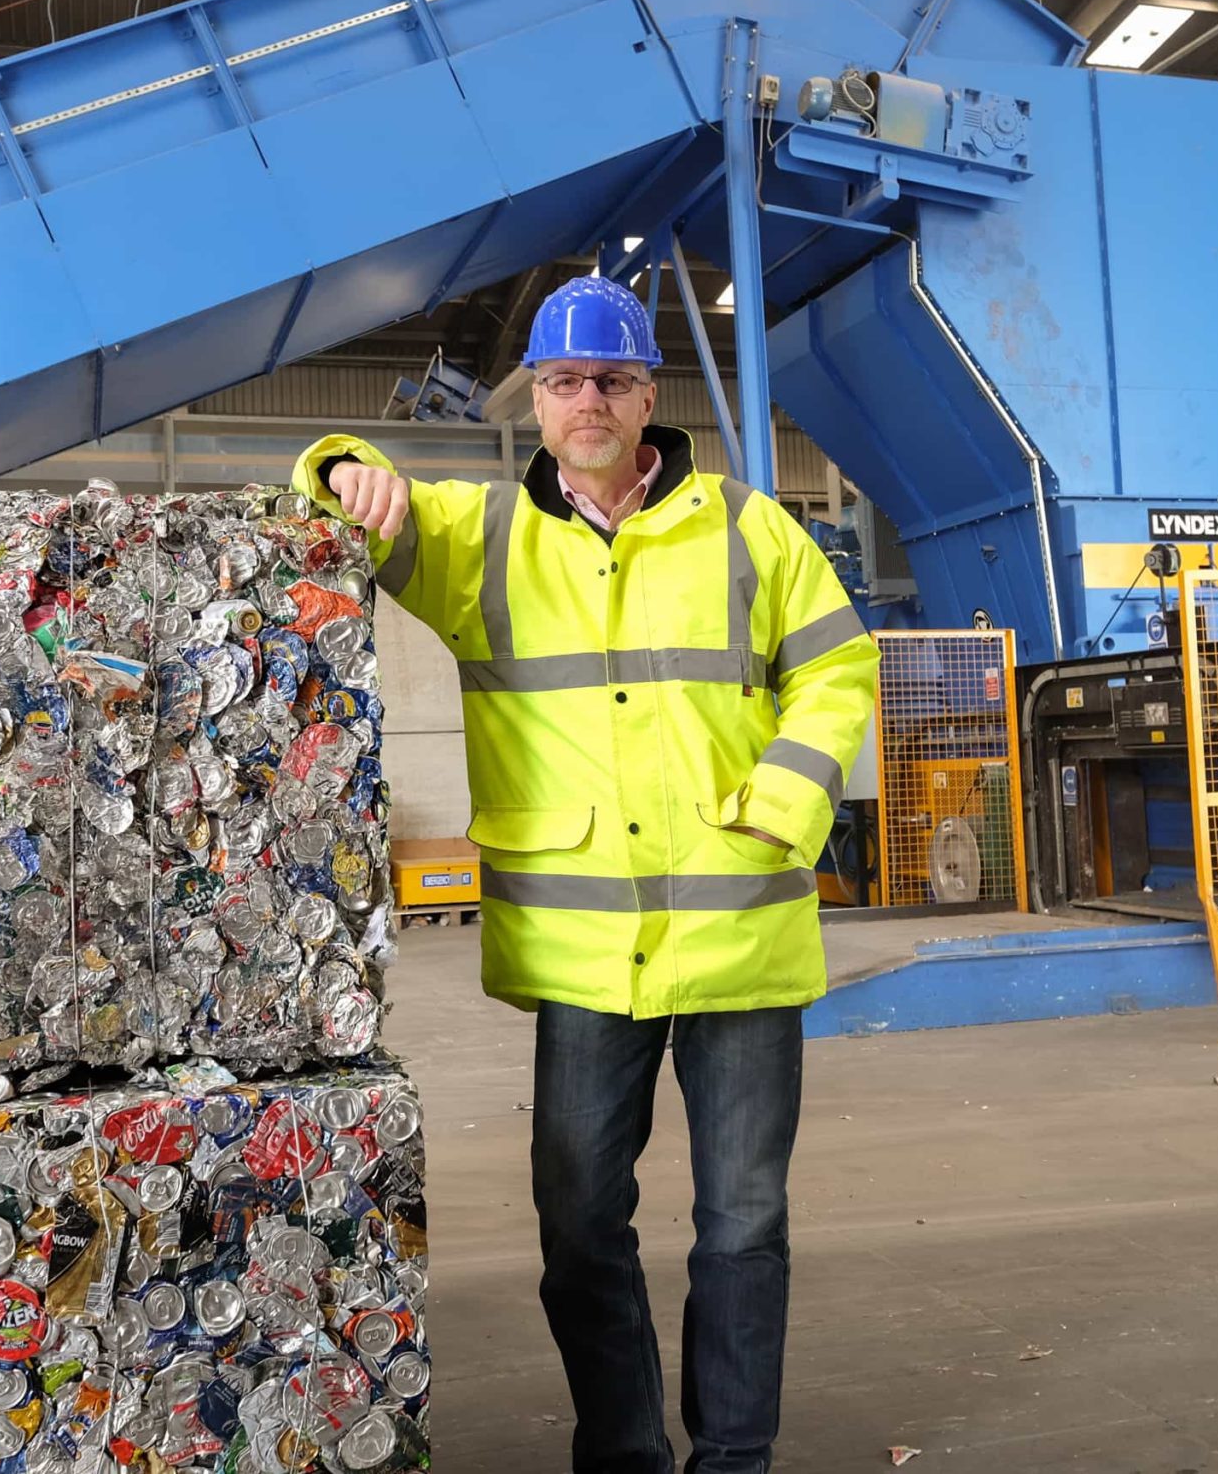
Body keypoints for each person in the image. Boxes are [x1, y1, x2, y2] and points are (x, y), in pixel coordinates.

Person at [293, 273, 878, 1473]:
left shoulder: (748, 530)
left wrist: (778, 805)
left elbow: (837, 670)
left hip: (740, 941)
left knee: (745, 1223)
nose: (587, 400)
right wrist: (342, 466)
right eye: (563, 381)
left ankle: (733, 1459)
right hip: (581, 955)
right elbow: (333, 489)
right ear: (537, 400)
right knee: (577, 1228)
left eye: (610, 378)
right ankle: (622, 1455)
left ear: (647, 394)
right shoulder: (480, 540)